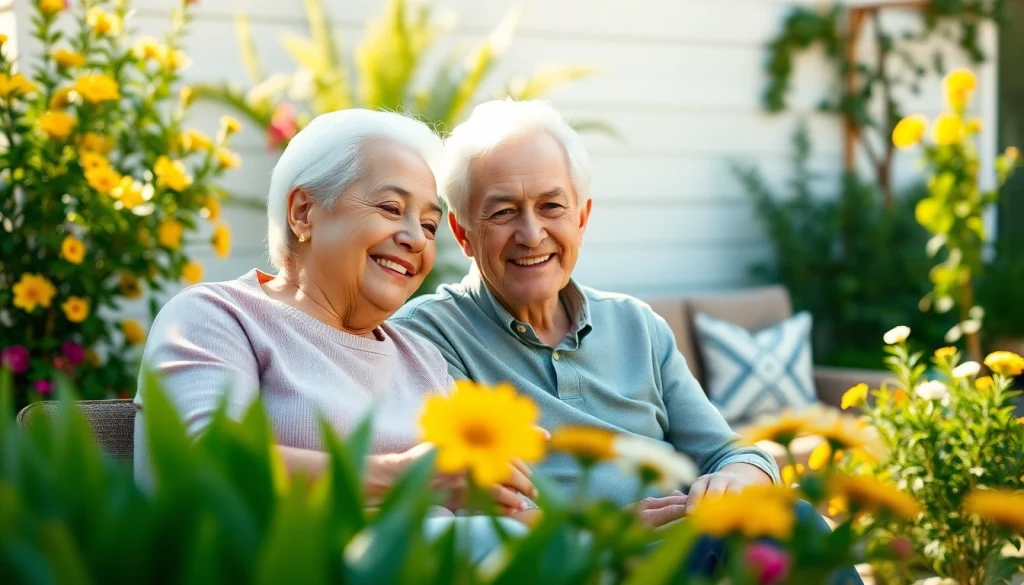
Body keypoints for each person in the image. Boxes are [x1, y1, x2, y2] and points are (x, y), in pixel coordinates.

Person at [390, 100, 865, 582]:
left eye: (551, 206)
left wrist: (737, 480)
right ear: (463, 232)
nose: (531, 234)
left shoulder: (638, 325)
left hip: (689, 554)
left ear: (582, 217)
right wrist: (608, 533)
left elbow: (734, 453)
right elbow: (465, 508)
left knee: (788, 518)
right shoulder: (428, 337)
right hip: (572, 568)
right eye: (504, 212)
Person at [132, 109, 533, 557]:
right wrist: (405, 477)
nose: (417, 239)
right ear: (303, 212)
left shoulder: (423, 359)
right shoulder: (218, 316)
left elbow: (498, 515)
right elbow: (197, 467)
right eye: (391, 208)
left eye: (429, 225)